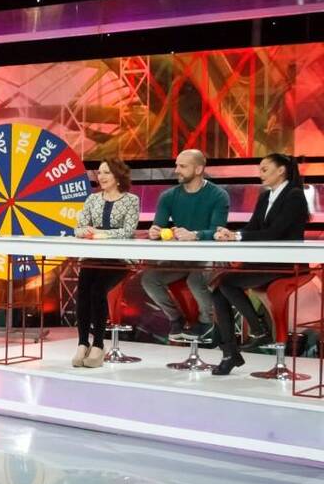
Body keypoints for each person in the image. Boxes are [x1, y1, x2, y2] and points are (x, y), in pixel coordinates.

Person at [208, 153, 309, 376]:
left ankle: (258, 328)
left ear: (281, 170)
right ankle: (230, 354)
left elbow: (275, 233)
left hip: (286, 263)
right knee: (217, 290)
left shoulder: (294, 196)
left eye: (264, 169)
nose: (260, 174)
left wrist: (238, 237)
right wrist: (232, 234)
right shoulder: (265, 197)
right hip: (264, 260)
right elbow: (252, 227)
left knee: (227, 283)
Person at [142, 149, 230, 343]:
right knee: (149, 278)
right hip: (182, 259)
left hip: (211, 257)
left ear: (198, 169)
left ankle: (207, 323)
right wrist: (155, 232)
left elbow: (218, 232)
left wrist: (195, 235)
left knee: (195, 280)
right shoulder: (168, 196)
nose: (176, 170)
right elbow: (159, 226)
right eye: (176, 165)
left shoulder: (219, 195)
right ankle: (176, 319)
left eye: (182, 166)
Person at [71, 159, 140, 368]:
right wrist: (85, 231)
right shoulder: (92, 199)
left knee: (97, 290)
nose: (101, 177)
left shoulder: (131, 200)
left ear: (118, 176)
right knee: (83, 290)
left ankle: (99, 345)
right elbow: (79, 228)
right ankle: (83, 343)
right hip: (93, 257)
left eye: (106, 172)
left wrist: (101, 234)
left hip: (119, 259)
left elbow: (128, 231)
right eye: (99, 172)